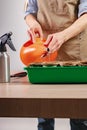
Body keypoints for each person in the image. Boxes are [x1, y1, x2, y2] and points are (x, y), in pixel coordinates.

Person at [24, 0, 87, 130]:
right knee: (44, 116)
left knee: (79, 118)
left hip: (74, 51)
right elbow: (29, 12)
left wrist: (63, 36)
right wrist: (33, 23)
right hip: (44, 51)